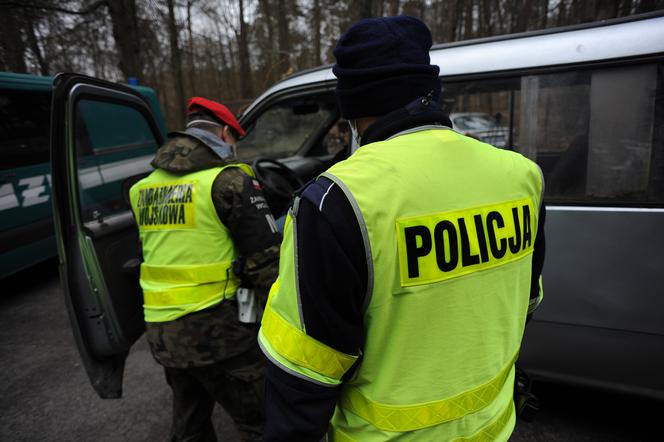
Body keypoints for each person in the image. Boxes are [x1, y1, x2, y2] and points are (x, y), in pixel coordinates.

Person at [258, 16, 546, 441]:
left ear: (353, 111)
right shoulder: (522, 176)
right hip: (493, 428)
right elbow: (525, 300)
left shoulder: (337, 200)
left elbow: (304, 371)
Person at [128, 97, 281, 441]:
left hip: (164, 335)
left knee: (190, 424)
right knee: (261, 423)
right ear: (225, 134)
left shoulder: (144, 188)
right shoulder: (227, 182)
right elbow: (267, 263)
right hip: (221, 335)